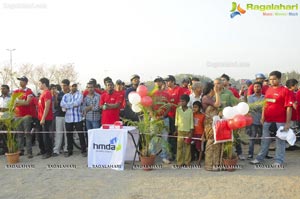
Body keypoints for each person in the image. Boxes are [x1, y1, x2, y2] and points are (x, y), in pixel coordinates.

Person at [250, 71, 293, 166]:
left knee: (280, 141)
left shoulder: (285, 91)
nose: (272, 81)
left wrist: (287, 123)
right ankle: (259, 158)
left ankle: (279, 160)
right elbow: (265, 105)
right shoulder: (268, 90)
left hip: (280, 122)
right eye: (270, 79)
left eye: (274, 79)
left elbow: (289, 108)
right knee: (265, 140)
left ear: (279, 79)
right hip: (267, 120)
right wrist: (262, 117)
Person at [220, 75, 245, 160]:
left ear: (228, 81)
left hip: (231, 117)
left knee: (235, 135)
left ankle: (239, 153)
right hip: (219, 118)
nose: (222, 81)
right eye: (220, 80)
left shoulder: (231, 92)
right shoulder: (215, 92)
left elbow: (236, 103)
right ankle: (224, 154)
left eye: (224, 80)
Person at [61, 82, 87, 157]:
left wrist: (68, 106)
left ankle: (83, 150)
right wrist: (72, 105)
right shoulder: (66, 95)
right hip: (68, 118)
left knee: (81, 134)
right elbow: (62, 104)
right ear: (70, 87)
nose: (74, 87)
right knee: (69, 135)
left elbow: (78, 103)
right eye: (72, 86)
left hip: (78, 118)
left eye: (75, 86)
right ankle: (70, 150)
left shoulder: (80, 94)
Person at [150, 76, 171, 164]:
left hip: (164, 119)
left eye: (159, 81)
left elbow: (168, 106)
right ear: (154, 83)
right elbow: (149, 106)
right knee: (152, 138)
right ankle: (152, 155)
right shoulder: (151, 94)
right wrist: (154, 116)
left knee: (164, 138)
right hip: (154, 119)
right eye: (156, 81)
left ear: (162, 83)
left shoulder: (166, 94)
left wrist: (163, 115)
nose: (158, 83)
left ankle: (164, 157)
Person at [201, 81, 221, 171]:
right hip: (209, 124)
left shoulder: (211, 98)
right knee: (210, 143)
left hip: (215, 123)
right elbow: (217, 104)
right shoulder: (205, 98)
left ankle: (215, 164)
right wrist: (217, 93)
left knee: (216, 143)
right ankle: (209, 165)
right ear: (211, 89)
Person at [13, 76, 34, 158]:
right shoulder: (16, 91)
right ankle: (21, 150)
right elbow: (14, 103)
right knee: (19, 134)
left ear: (26, 82)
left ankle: (29, 152)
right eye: (20, 81)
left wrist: (19, 102)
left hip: (27, 116)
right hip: (17, 115)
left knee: (27, 134)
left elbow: (28, 102)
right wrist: (22, 102)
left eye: (22, 81)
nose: (20, 82)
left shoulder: (29, 91)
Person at [164, 75, 185, 159]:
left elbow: (181, 103)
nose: (166, 83)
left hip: (178, 116)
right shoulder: (166, 91)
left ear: (173, 81)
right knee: (169, 135)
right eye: (166, 81)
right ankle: (171, 154)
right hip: (168, 116)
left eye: (168, 81)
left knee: (176, 135)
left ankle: (177, 154)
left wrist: (174, 105)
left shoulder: (179, 90)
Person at [175, 94, 194, 167]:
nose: (181, 103)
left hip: (187, 131)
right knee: (179, 147)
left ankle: (187, 162)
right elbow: (176, 120)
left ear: (187, 102)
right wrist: (176, 130)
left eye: (183, 101)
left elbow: (191, 122)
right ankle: (179, 162)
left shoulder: (190, 111)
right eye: (180, 101)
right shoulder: (178, 110)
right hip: (180, 130)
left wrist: (191, 132)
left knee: (187, 147)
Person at [247, 82, 264, 159]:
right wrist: (262, 106)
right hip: (253, 121)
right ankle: (250, 154)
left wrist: (261, 107)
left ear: (261, 88)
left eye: (258, 86)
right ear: (253, 88)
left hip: (263, 121)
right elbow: (252, 108)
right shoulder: (250, 97)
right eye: (255, 87)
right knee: (252, 138)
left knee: (263, 138)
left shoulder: (265, 97)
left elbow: (265, 108)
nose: (257, 88)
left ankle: (264, 154)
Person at [38, 78, 54, 159]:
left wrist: (43, 118)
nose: (39, 85)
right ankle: (44, 150)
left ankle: (49, 152)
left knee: (46, 136)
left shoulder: (47, 93)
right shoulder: (42, 93)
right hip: (41, 118)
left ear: (44, 84)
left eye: (40, 83)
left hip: (46, 118)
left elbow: (47, 107)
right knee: (42, 136)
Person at [52, 79, 70, 156]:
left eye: (65, 85)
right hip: (59, 115)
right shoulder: (59, 94)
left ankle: (66, 149)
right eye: (62, 85)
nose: (63, 87)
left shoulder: (70, 93)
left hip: (68, 115)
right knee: (58, 133)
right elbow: (56, 105)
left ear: (68, 85)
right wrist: (55, 97)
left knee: (67, 134)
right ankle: (56, 150)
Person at [192, 101, 205, 165]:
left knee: (200, 148)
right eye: (193, 107)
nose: (194, 109)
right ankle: (194, 158)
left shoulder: (203, 116)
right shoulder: (192, 114)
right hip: (193, 133)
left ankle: (199, 160)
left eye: (196, 107)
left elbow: (204, 126)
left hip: (200, 134)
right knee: (193, 146)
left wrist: (203, 135)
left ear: (200, 108)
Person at [0, 85, 10, 154]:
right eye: (1, 89)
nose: (2, 90)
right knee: (2, 135)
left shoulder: (11, 98)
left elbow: (14, 107)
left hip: (8, 119)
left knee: (8, 135)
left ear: (8, 90)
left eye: (4, 89)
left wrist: (5, 109)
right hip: (1, 118)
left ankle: (9, 149)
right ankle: (3, 149)